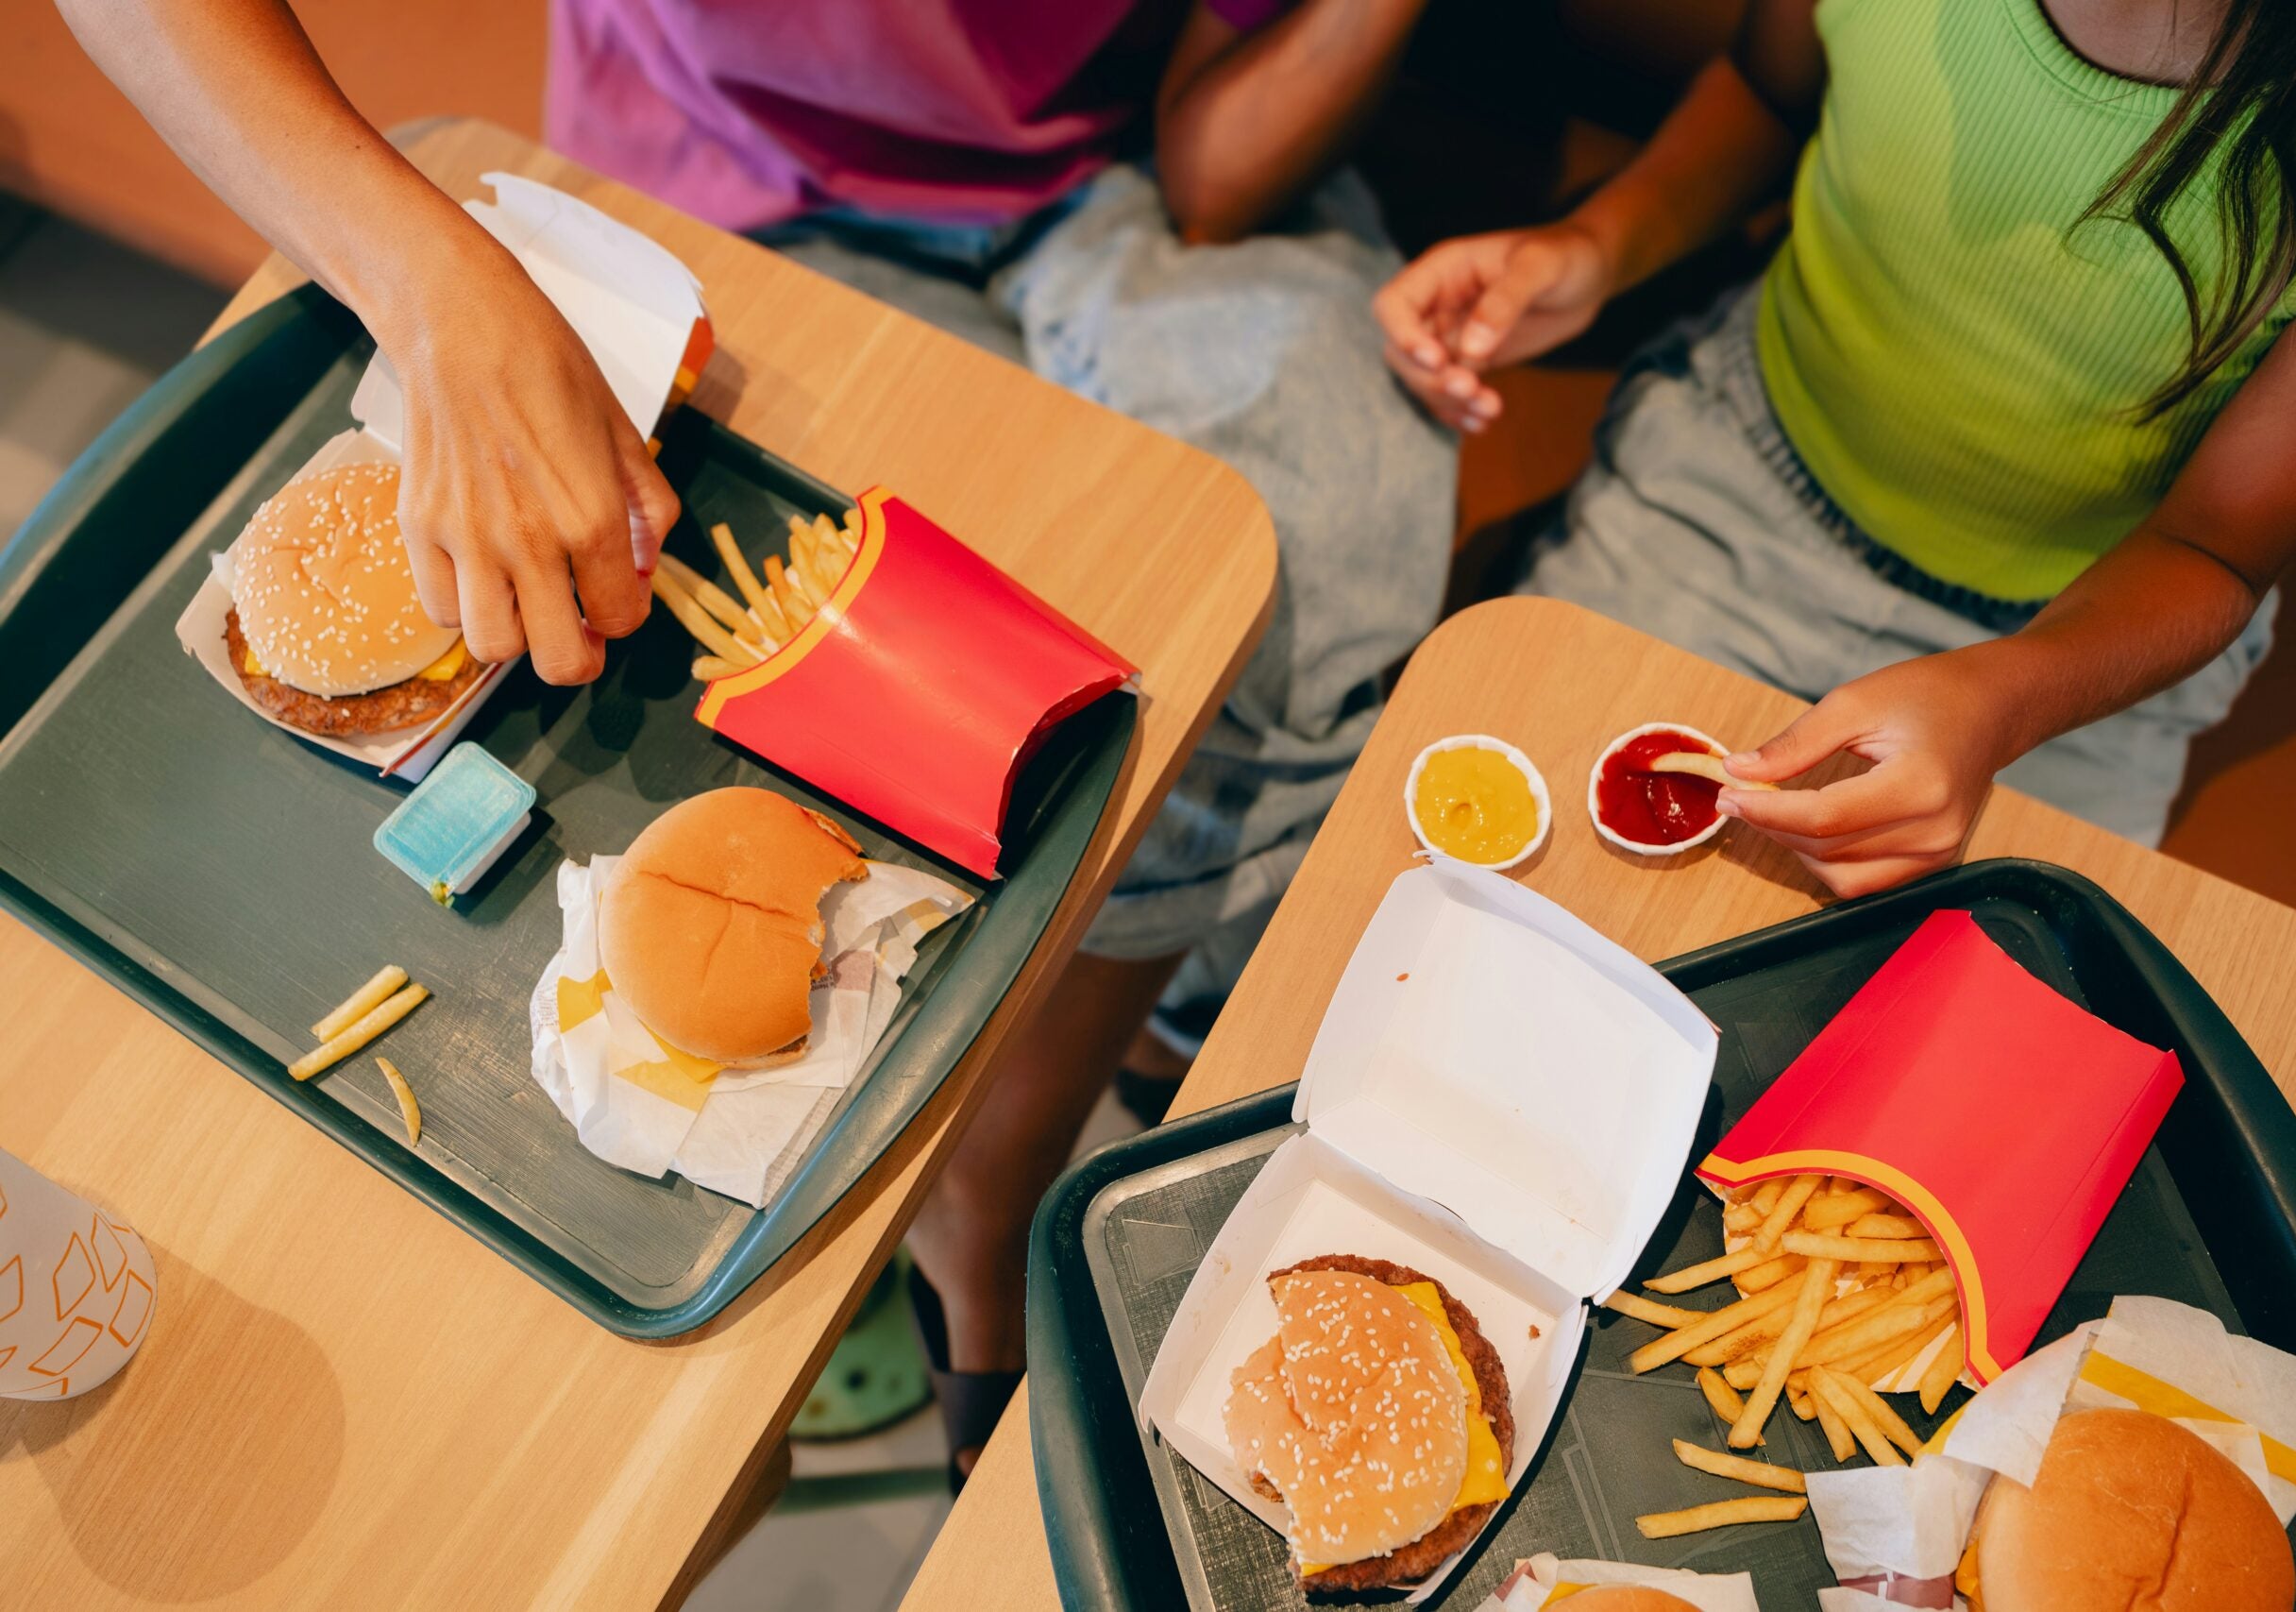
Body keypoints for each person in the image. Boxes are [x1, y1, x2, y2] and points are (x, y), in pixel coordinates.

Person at [62, 0, 1451, 1476]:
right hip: (709, 179)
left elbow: (1210, 170)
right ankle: (965, 1218)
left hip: (1109, 194)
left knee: (1294, 581)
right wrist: (430, 286)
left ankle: (990, 1196)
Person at [1377, 0, 2296, 896]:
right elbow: (1768, 91)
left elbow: (2219, 550)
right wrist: (1595, 249)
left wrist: (2001, 699)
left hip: (2082, 653)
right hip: (1732, 481)